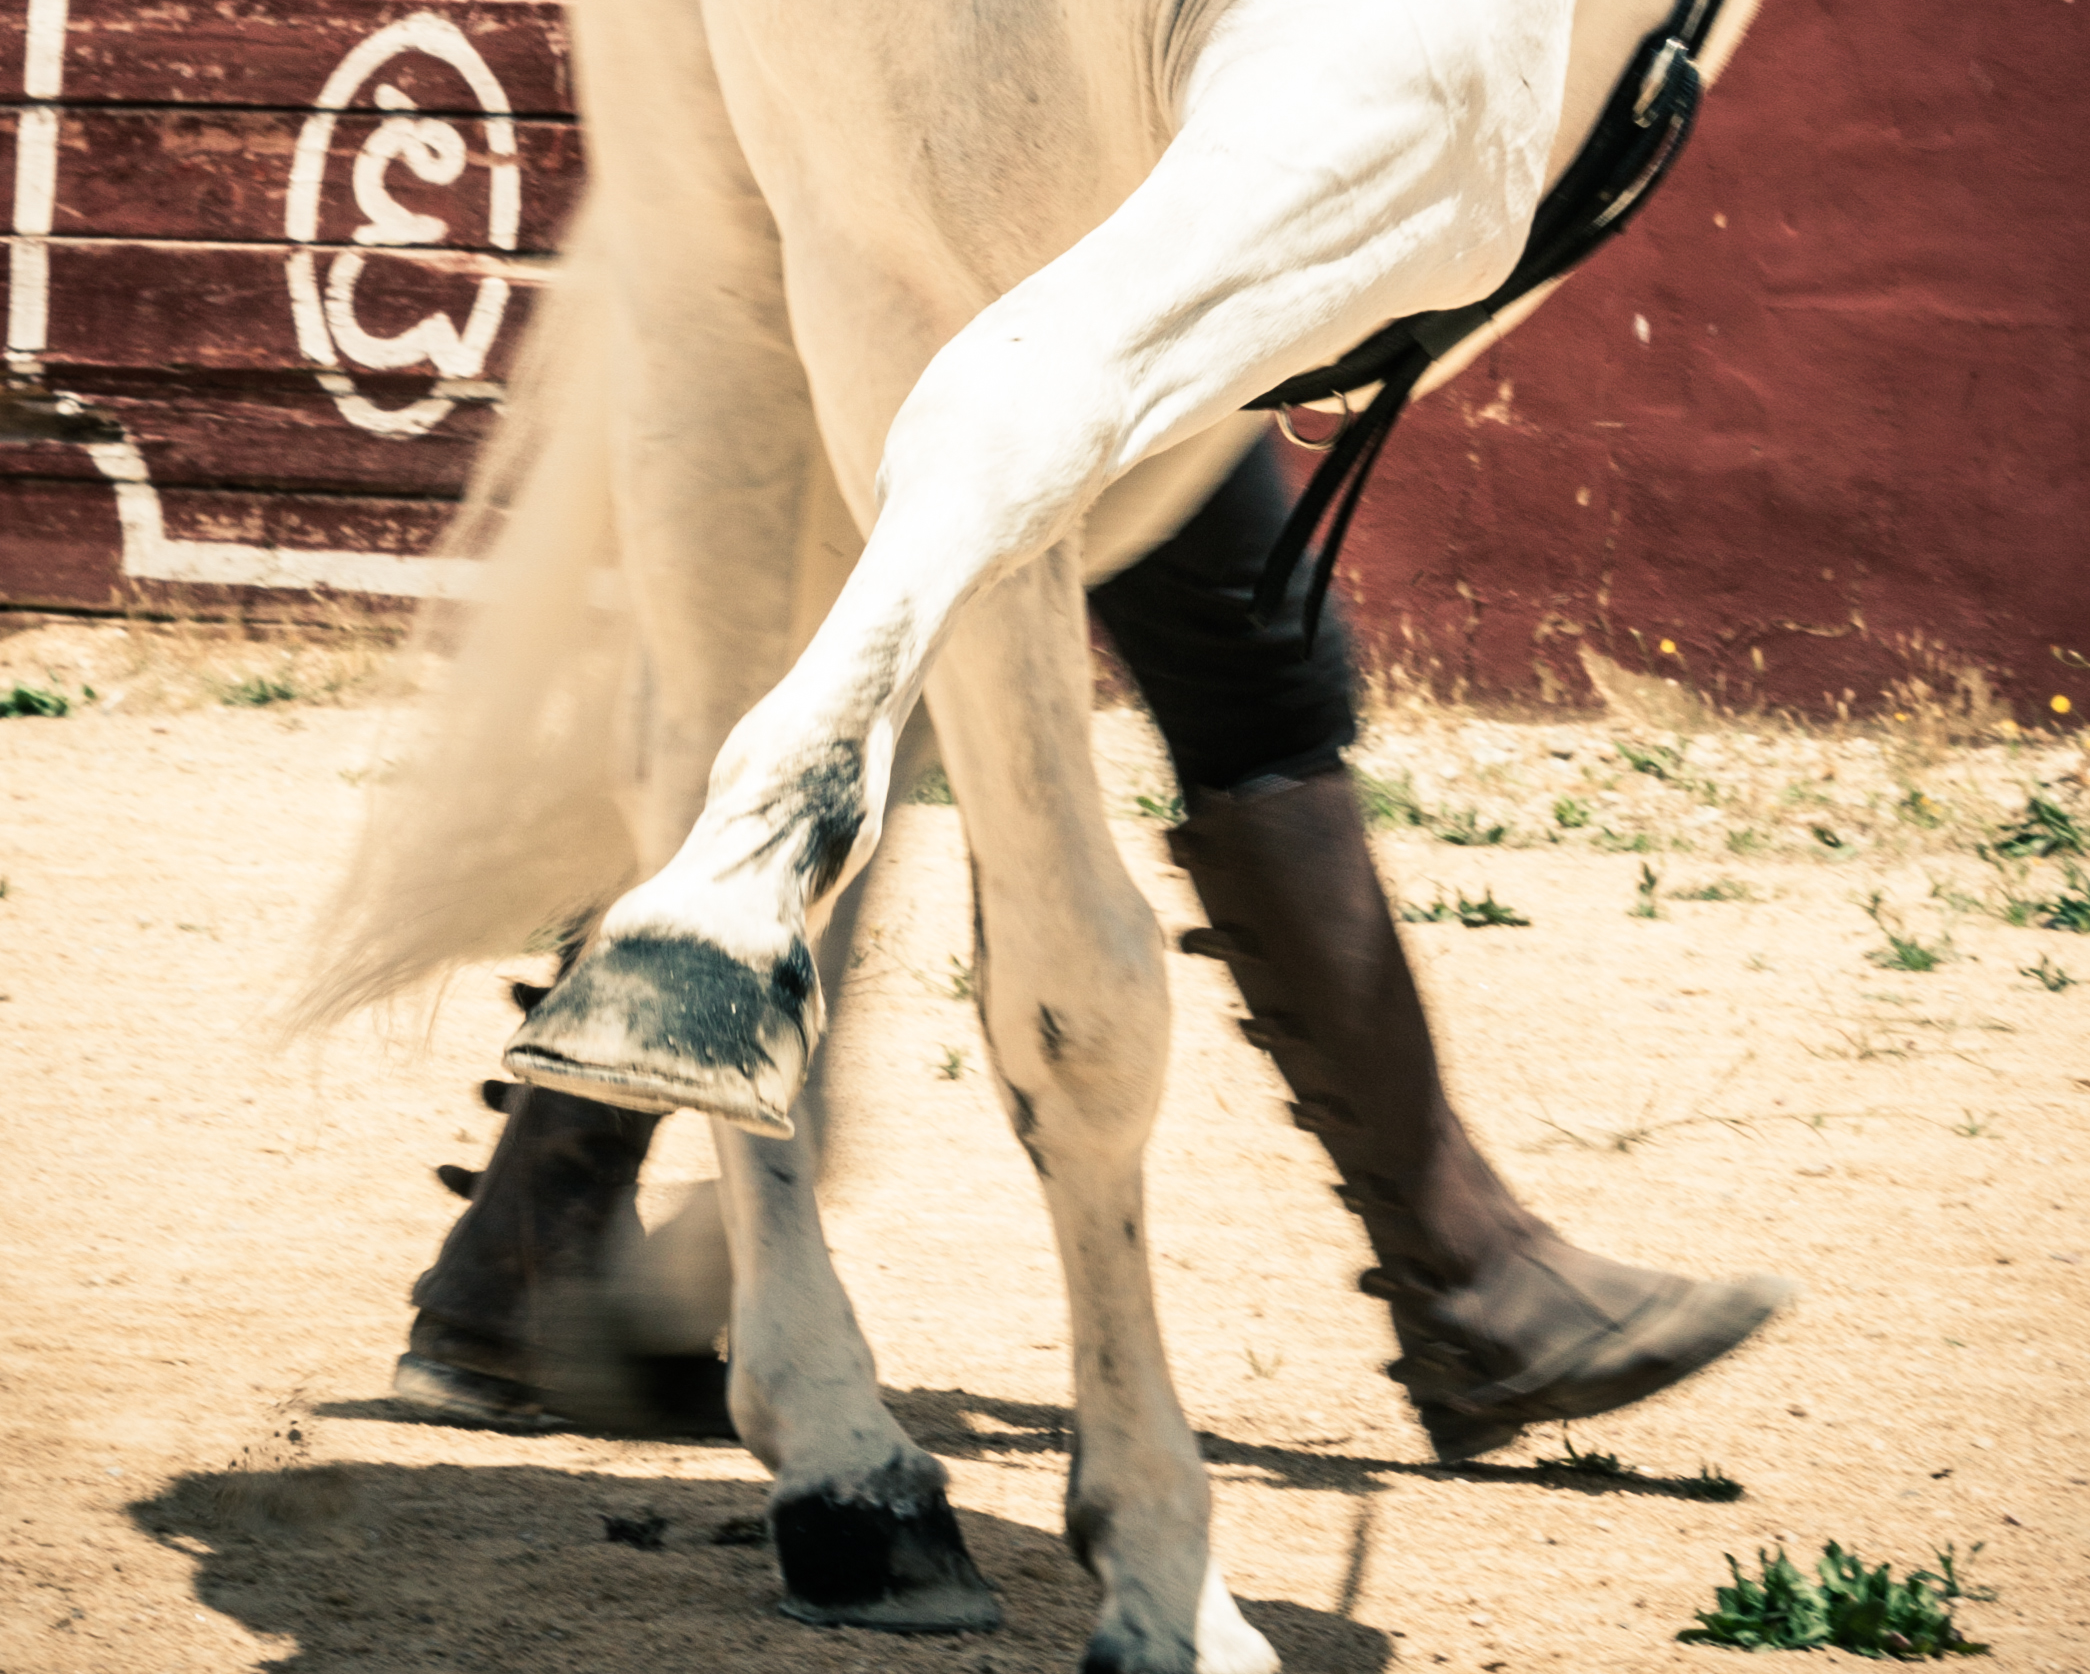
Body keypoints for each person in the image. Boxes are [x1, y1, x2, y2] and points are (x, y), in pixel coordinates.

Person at [405, 430, 1785, 1461]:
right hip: (1034, 247)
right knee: (1246, 665)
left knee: (805, 677)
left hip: (922, 228)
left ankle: (531, 1247)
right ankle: (1467, 1277)